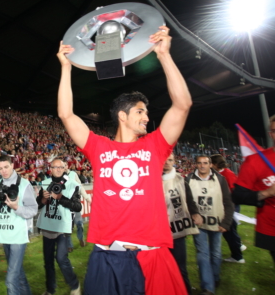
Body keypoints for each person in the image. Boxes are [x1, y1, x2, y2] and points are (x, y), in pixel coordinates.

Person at [57, 26, 191, 295]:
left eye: (147, 112)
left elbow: (182, 105)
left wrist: (164, 55)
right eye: (140, 111)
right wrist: (66, 67)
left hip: (152, 255)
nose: (146, 117)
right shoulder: (98, 146)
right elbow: (66, 115)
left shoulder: (155, 146)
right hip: (107, 256)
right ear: (122, 115)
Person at [0, 155, 38, 295]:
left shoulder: (25, 184)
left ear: (12, 165)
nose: (4, 171)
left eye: (6, 167)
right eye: (0, 168)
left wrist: (16, 208)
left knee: (10, 279)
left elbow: (33, 209)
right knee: (18, 273)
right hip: (4, 233)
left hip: (19, 234)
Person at [187, 155, 233, 295]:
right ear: (196, 164)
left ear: (210, 164)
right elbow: (187, 200)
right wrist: (194, 213)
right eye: (199, 163)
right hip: (199, 224)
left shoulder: (220, 179)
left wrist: (226, 222)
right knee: (202, 254)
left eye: (205, 163)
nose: (202, 166)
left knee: (216, 253)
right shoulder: (189, 179)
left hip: (216, 223)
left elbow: (228, 202)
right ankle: (208, 287)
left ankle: (215, 277)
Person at [232, 114, 275, 264]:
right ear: (271, 134)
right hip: (272, 227)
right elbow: (237, 196)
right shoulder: (256, 161)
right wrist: (268, 193)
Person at [36, 158, 82, 295]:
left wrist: (60, 198)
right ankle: (50, 290)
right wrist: (43, 198)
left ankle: (75, 285)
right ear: (50, 168)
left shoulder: (72, 184)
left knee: (61, 259)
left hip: (62, 227)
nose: (58, 169)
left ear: (64, 168)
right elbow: (38, 204)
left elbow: (78, 206)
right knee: (48, 261)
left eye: (60, 167)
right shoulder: (44, 183)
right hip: (47, 226)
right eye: (55, 167)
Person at [163, 153, 202, 295]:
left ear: (174, 162)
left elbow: (189, 199)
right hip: (159, 232)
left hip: (177, 232)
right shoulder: (151, 179)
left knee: (180, 267)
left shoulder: (180, 179)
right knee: (162, 269)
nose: (167, 163)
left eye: (170, 160)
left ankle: (185, 291)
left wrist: (195, 213)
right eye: (164, 160)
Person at [210, 154, 246, 263]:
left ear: (215, 164)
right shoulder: (222, 173)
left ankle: (237, 256)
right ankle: (238, 246)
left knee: (228, 231)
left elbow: (233, 192)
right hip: (228, 205)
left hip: (230, 206)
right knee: (230, 230)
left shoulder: (227, 174)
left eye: (211, 163)